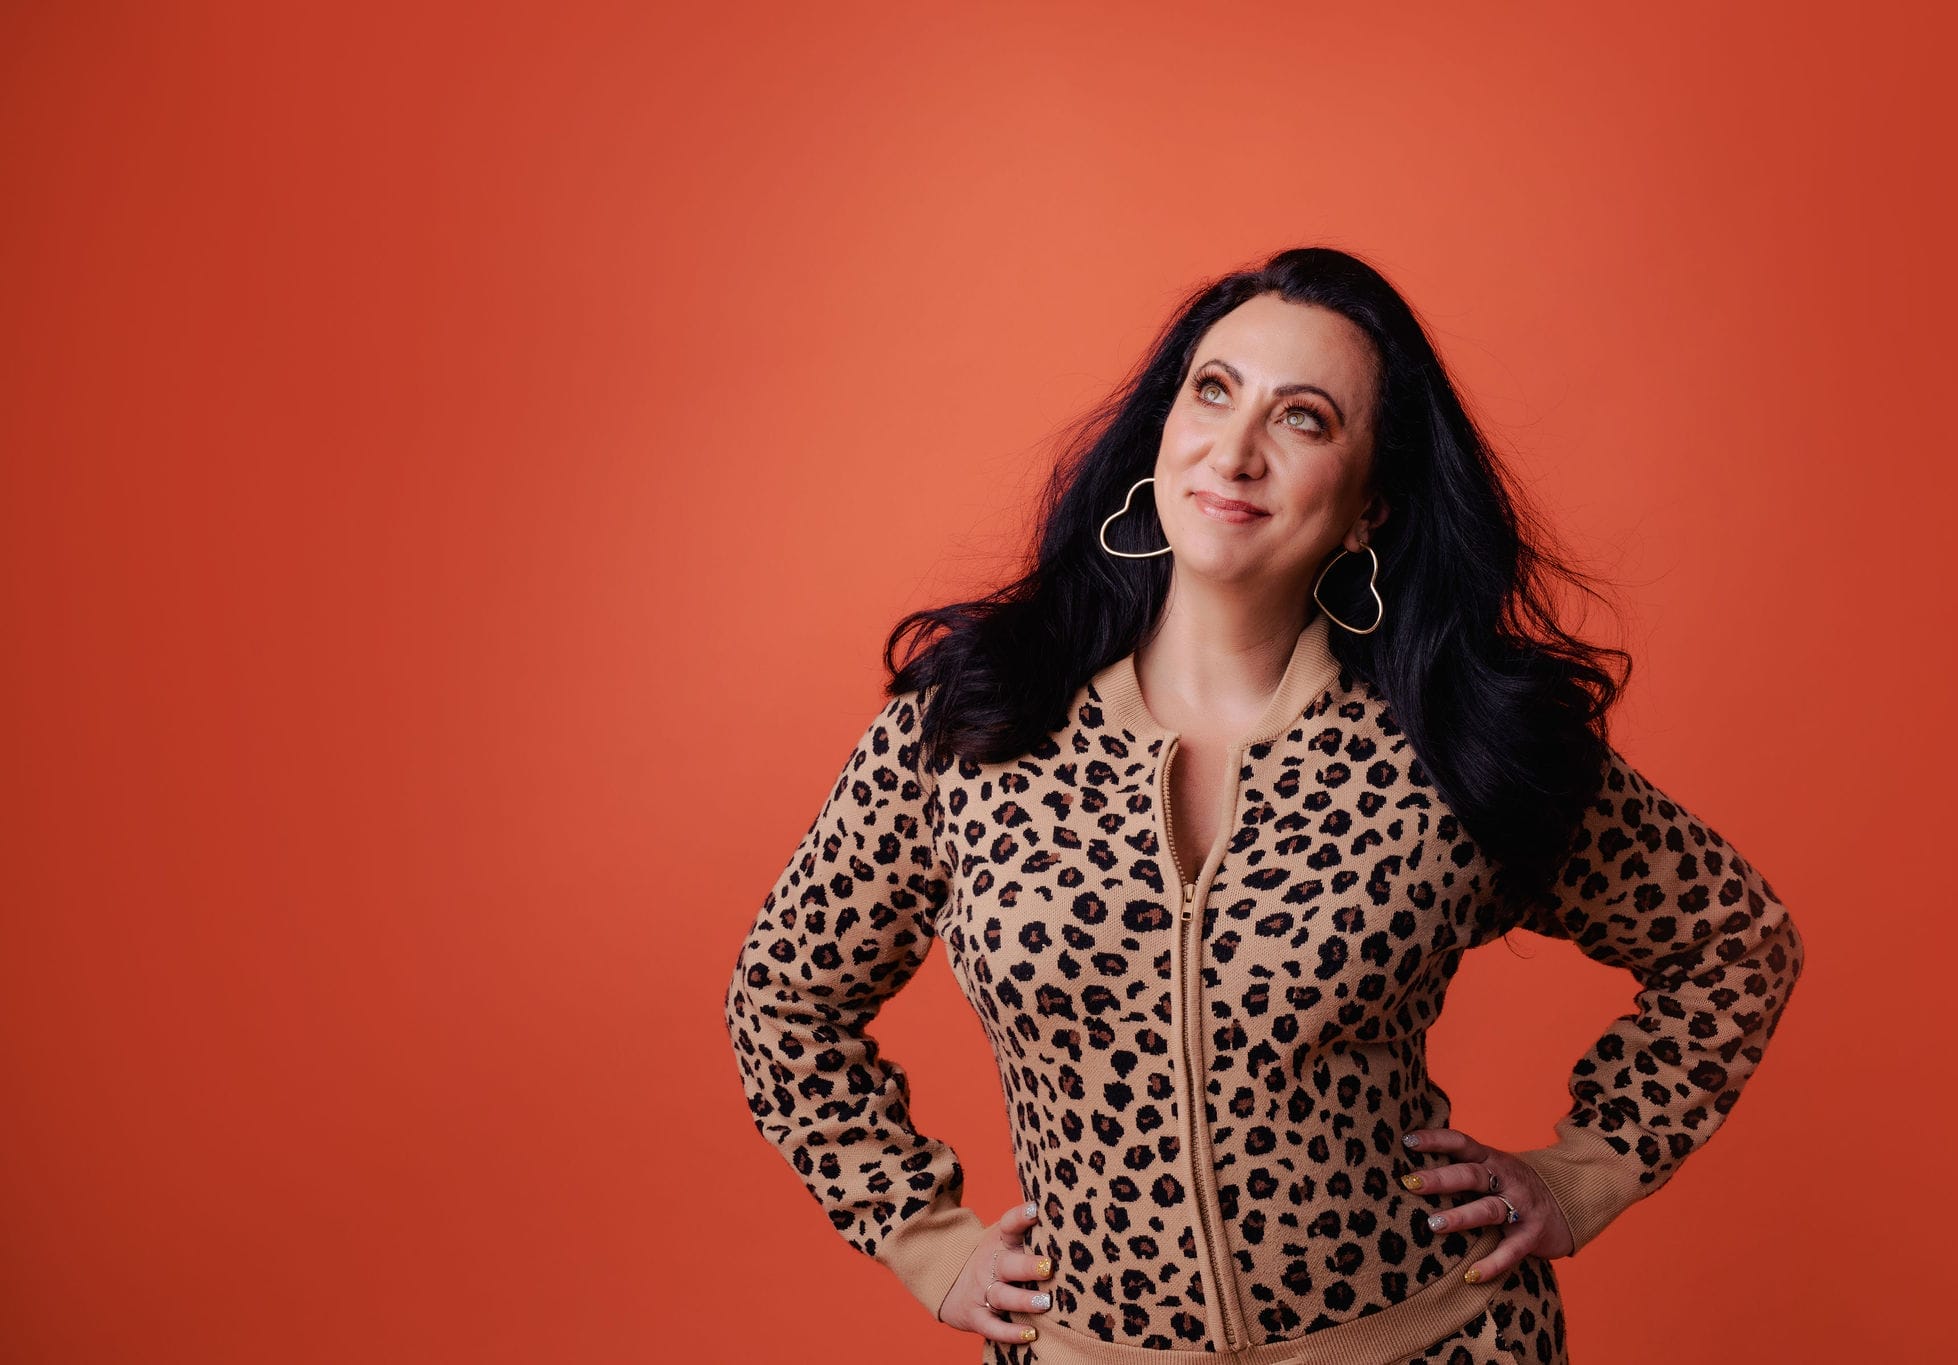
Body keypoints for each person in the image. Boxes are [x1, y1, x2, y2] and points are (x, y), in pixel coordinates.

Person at [723, 246, 1807, 1364]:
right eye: (1213, 391)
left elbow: (1733, 940)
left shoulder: (1445, 739)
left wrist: (1579, 1177)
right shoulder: (977, 721)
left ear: (1368, 505)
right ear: (1161, 431)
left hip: (1427, 1341)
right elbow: (781, 997)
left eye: (1301, 419)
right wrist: (926, 1242)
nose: (1234, 452)